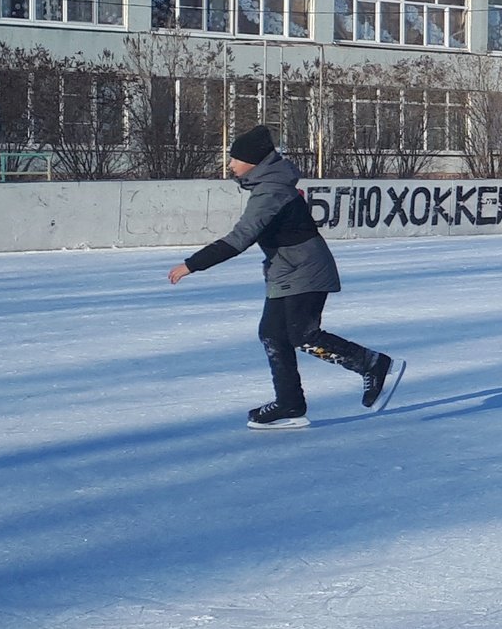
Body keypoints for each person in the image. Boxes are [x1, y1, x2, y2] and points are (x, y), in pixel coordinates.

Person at [166, 125, 401, 428]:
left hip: (305, 270)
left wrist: (191, 265)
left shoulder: (271, 191)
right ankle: (290, 404)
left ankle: (372, 364)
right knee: (273, 334)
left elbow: (240, 238)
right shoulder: (268, 185)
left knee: (301, 334)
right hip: (286, 270)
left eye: (234, 158)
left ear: (253, 161)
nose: (230, 165)